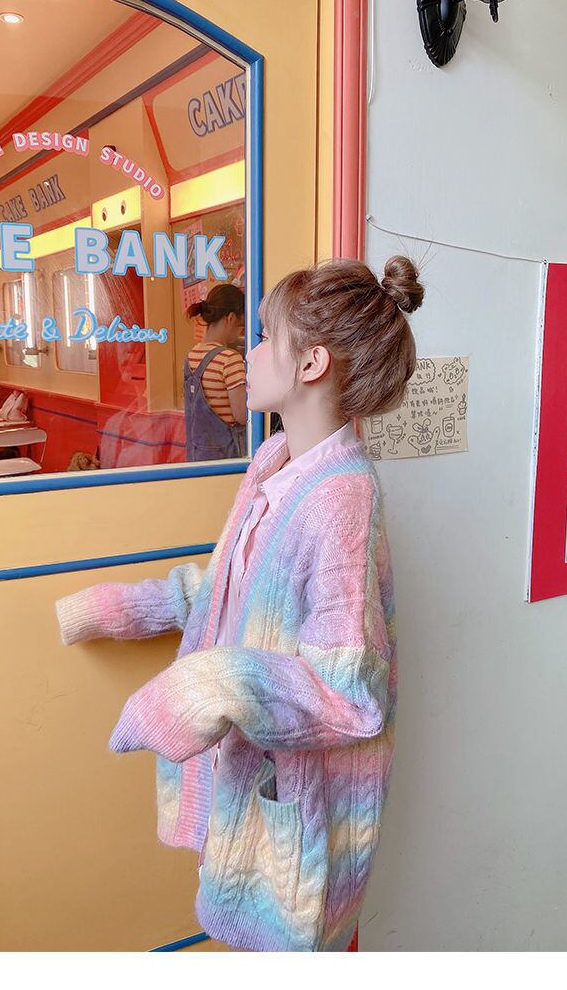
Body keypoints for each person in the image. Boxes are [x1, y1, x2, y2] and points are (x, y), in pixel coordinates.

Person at [54, 255, 425, 951]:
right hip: (241, 791)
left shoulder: (341, 497)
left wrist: (210, 684)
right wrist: (124, 608)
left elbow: (350, 691)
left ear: (311, 362)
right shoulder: (276, 463)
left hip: (293, 824)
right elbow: (243, 589)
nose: (245, 354)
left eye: (263, 336)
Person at [184, 284, 247, 461]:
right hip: (227, 456)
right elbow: (242, 416)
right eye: (241, 325)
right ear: (231, 318)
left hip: (197, 454)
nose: (241, 332)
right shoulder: (230, 359)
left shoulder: (191, 355)